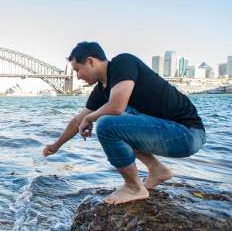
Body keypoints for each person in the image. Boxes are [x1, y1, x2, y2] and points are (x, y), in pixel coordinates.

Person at [43, 41, 206, 204]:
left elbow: (116, 107)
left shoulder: (123, 62)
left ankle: (134, 187)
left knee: (107, 124)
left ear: (91, 61)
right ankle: (157, 170)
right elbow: (77, 120)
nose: (77, 76)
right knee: (118, 121)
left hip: (188, 134)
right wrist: (56, 146)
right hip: (176, 133)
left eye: (77, 69)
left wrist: (90, 118)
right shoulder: (101, 90)